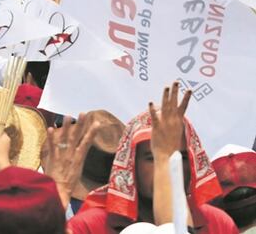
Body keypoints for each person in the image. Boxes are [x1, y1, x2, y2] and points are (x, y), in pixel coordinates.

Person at [68, 84, 236, 233]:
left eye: (181, 157)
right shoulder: (89, 226)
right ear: (131, 165)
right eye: (154, 157)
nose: (169, 166)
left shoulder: (217, 223)